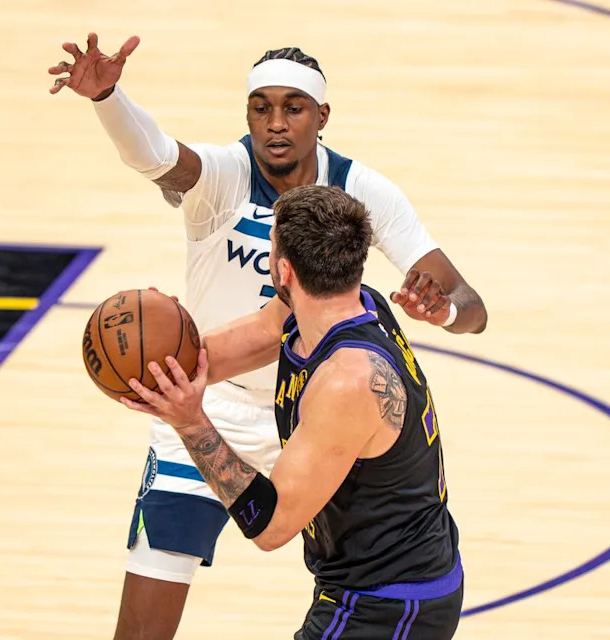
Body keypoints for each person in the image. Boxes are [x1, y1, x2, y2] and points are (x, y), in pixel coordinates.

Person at [48, 33, 483, 639]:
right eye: (260, 107)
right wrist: (169, 387)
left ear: (321, 117)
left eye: (293, 108)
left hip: (312, 417)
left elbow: (470, 305)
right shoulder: (225, 175)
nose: (275, 124)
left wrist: (442, 311)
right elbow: (156, 157)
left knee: (338, 551)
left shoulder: (362, 196)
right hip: (217, 399)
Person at [122, 185, 464, 639]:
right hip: (375, 580)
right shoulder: (357, 303)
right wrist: (165, 353)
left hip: (387, 603)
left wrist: (190, 421)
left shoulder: (348, 381)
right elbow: (261, 331)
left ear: (282, 269)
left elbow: (270, 525)